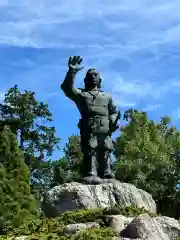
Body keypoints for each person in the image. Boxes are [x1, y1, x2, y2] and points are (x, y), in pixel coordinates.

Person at [61, 56, 120, 180]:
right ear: (85, 79)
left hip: (105, 127)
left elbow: (114, 111)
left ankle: (106, 171)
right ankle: (91, 172)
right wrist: (71, 72)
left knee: (105, 149)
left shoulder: (107, 96)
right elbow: (67, 89)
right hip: (89, 127)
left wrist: (113, 119)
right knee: (90, 149)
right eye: (90, 75)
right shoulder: (82, 95)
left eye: (95, 75)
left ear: (100, 79)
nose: (93, 77)